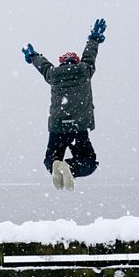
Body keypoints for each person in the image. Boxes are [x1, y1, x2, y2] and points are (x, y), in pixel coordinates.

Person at [22, 18, 107, 191]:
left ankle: (57, 163)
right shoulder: (84, 70)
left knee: (50, 159)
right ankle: (71, 167)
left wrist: (33, 56)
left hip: (58, 127)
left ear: (61, 62)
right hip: (79, 127)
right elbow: (90, 55)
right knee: (89, 162)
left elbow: (43, 66)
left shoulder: (53, 74)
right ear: (76, 61)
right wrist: (94, 38)